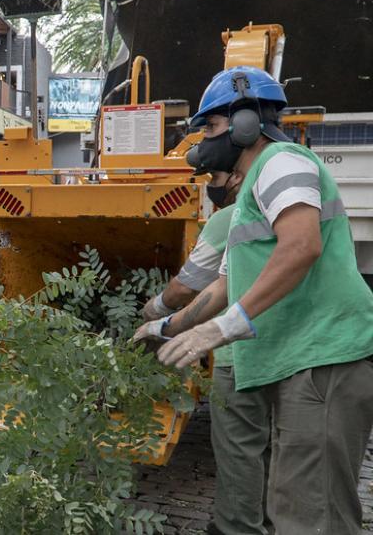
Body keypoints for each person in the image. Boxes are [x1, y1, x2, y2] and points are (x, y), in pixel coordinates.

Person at [139, 66, 373, 534]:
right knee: (292, 507)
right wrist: (164, 327)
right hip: (302, 365)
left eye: (211, 127)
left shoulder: (282, 162)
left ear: (246, 121)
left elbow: (302, 245)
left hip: (323, 360)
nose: (204, 140)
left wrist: (227, 326)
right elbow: (222, 286)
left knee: (313, 518)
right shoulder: (249, 196)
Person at [137, 177, 274, 534]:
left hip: (241, 352)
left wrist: (154, 313)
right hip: (286, 349)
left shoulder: (229, 216)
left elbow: (187, 287)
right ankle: (268, 518)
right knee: (271, 445)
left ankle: (236, 526)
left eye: (215, 175)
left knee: (240, 449)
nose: (212, 181)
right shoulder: (288, 210)